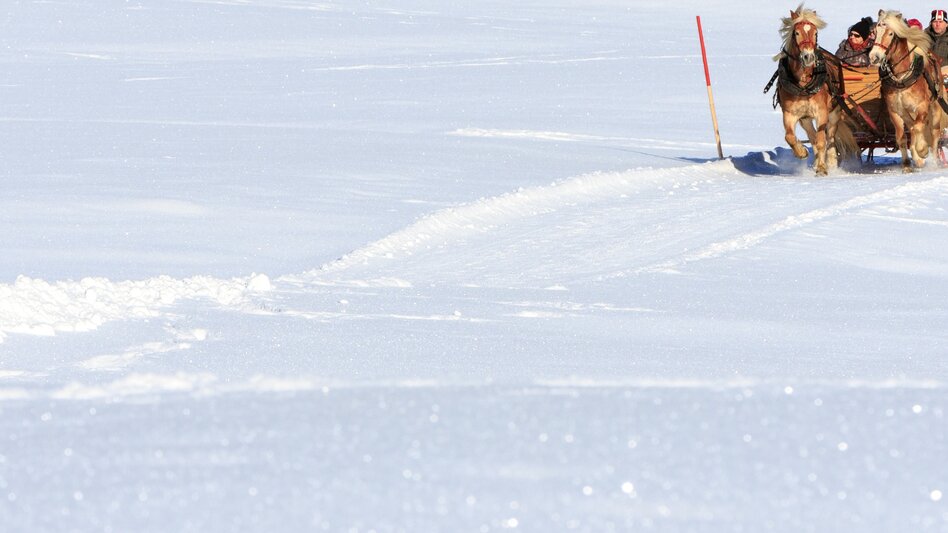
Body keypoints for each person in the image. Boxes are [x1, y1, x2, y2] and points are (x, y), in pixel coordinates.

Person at [927, 9, 948, 75]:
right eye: (935, 21)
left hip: (945, 70)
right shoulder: (924, 37)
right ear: (931, 23)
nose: (937, 24)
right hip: (927, 71)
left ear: (946, 24)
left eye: (940, 22)